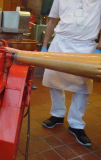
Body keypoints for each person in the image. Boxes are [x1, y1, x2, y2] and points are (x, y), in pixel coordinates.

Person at [41, 0, 101, 146]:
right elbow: (52, 21)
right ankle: (57, 113)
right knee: (53, 80)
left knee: (83, 87)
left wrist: (99, 47)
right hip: (60, 43)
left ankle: (76, 124)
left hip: (86, 46)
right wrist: (44, 46)